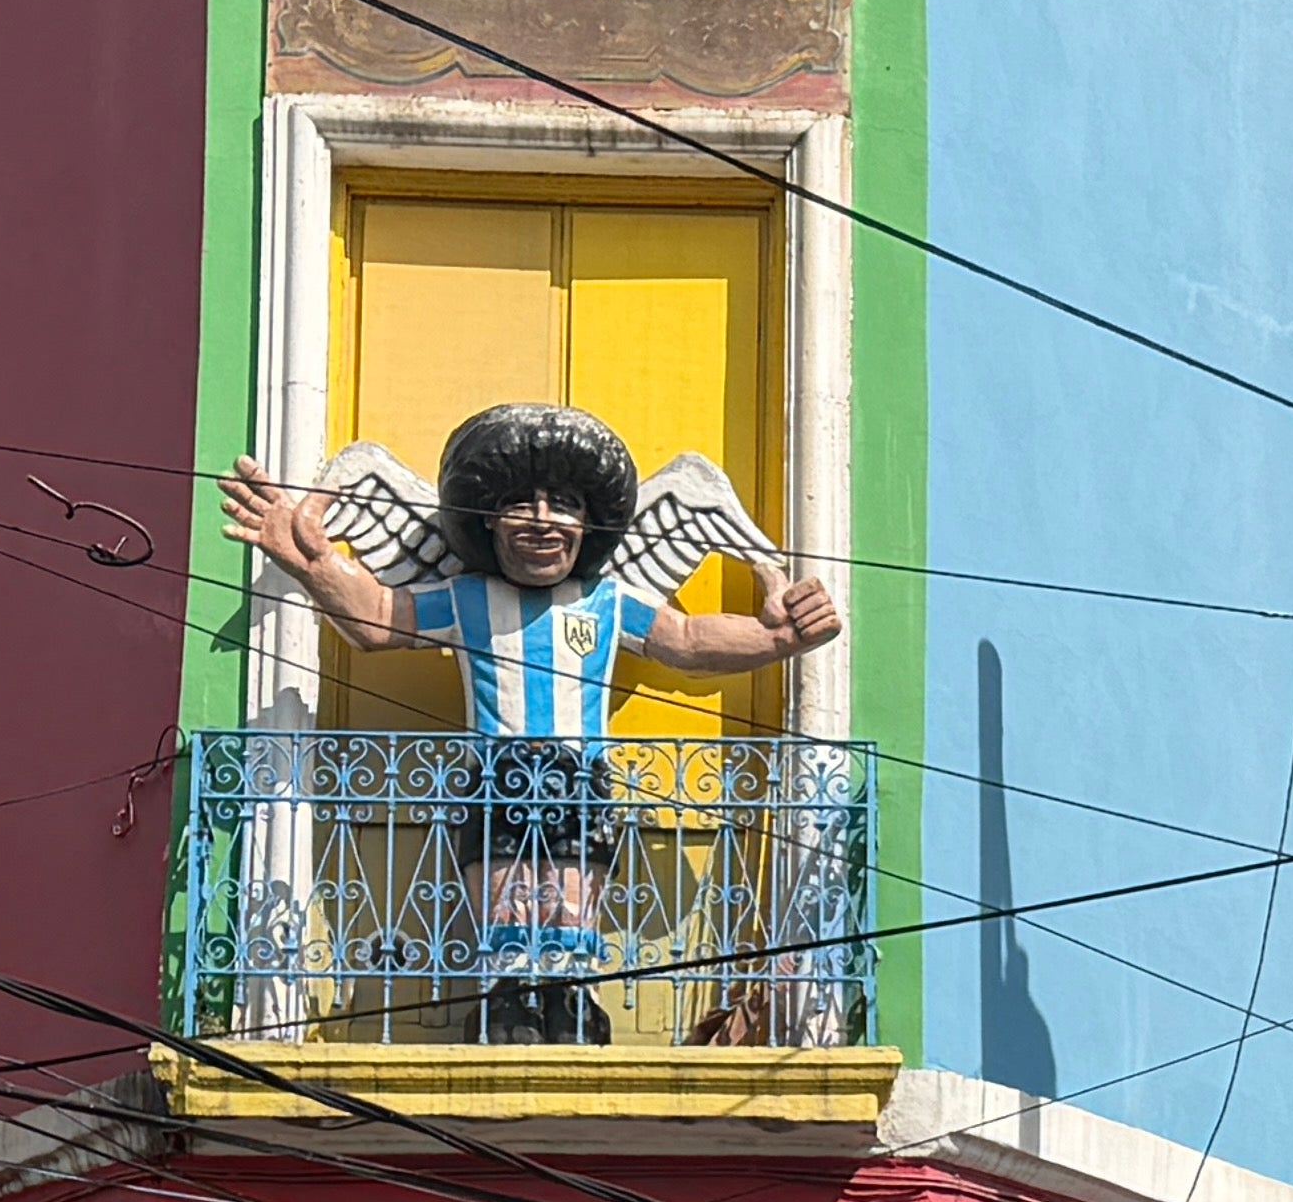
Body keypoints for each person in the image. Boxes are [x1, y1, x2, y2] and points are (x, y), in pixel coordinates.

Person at [216, 405, 843, 1040]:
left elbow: (685, 638)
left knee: (572, 897)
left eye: (563, 504)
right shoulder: (467, 599)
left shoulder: (607, 600)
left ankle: (568, 1002)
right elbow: (378, 618)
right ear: (486, 519)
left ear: (587, 522)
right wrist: (310, 562)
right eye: (521, 504)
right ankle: (507, 1000)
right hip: (498, 780)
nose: (543, 521)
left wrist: (781, 635)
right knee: (506, 901)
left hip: (579, 781)